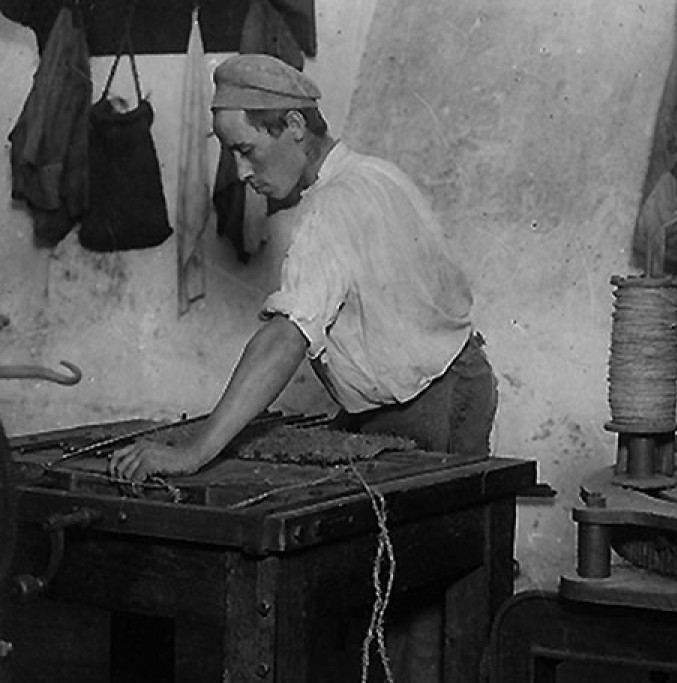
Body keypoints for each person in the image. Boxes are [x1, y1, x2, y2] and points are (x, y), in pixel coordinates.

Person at [108, 53, 497, 681]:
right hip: (455, 384)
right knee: (408, 601)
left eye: (246, 150)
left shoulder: (329, 211)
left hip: (430, 405)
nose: (240, 172)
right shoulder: (378, 175)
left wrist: (196, 448)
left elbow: (287, 335)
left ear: (293, 125)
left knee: (409, 614)